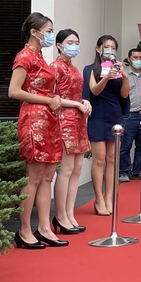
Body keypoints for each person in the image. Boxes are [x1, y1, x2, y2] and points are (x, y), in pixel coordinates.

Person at [8, 13, 66, 249]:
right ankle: (24, 230)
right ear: (34, 32)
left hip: (50, 119)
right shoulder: (24, 56)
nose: (51, 35)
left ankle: (44, 227)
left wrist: (53, 100)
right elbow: (14, 91)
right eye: (48, 31)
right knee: (33, 177)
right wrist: (46, 100)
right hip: (33, 120)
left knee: (48, 176)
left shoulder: (40, 56)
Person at [83, 36, 130, 215]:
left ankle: (109, 197)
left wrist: (124, 76)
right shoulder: (90, 69)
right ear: (98, 48)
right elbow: (94, 91)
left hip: (114, 114)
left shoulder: (119, 68)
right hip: (97, 115)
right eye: (106, 46)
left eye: (113, 47)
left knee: (112, 159)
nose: (110, 50)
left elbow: (124, 95)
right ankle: (98, 199)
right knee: (99, 159)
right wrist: (106, 77)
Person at [51, 29, 91, 234]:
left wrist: (84, 101)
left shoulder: (74, 68)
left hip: (79, 120)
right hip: (64, 121)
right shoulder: (54, 67)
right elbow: (52, 97)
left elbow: (75, 93)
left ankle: (69, 213)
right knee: (66, 170)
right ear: (59, 45)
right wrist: (76, 104)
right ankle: (60, 216)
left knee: (77, 169)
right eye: (69, 42)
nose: (74, 46)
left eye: (76, 42)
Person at [119, 48, 141, 182]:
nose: (138, 60)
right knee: (125, 146)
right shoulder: (123, 74)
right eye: (135, 57)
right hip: (129, 115)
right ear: (129, 59)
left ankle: (139, 171)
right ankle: (124, 172)